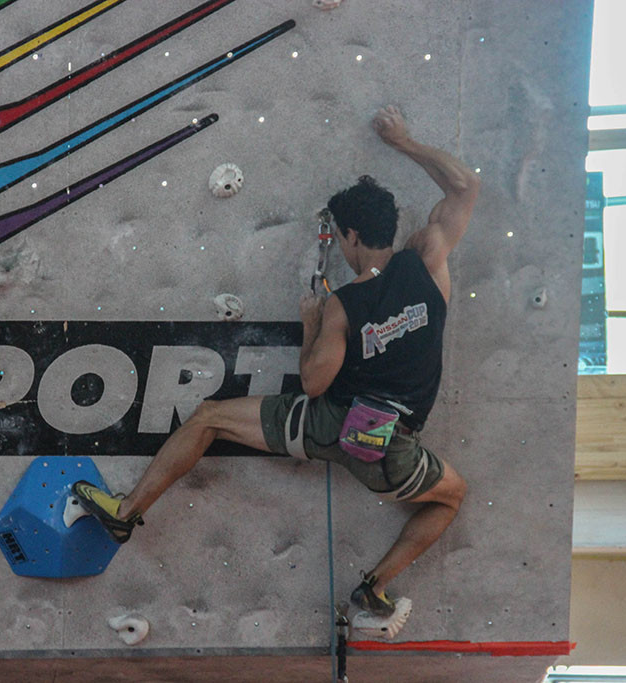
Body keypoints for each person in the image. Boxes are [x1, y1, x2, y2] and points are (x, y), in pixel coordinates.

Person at [74, 105, 479, 619]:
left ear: (352, 237)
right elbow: (465, 186)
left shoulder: (344, 305)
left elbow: (313, 383)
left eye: (342, 238)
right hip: (391, 449)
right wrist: (403, 141)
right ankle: (375, 586)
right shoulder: (427, 259)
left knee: (208, 418)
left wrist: (311, 322)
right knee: (450, 497)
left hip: (331, 424)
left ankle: (127, 510)